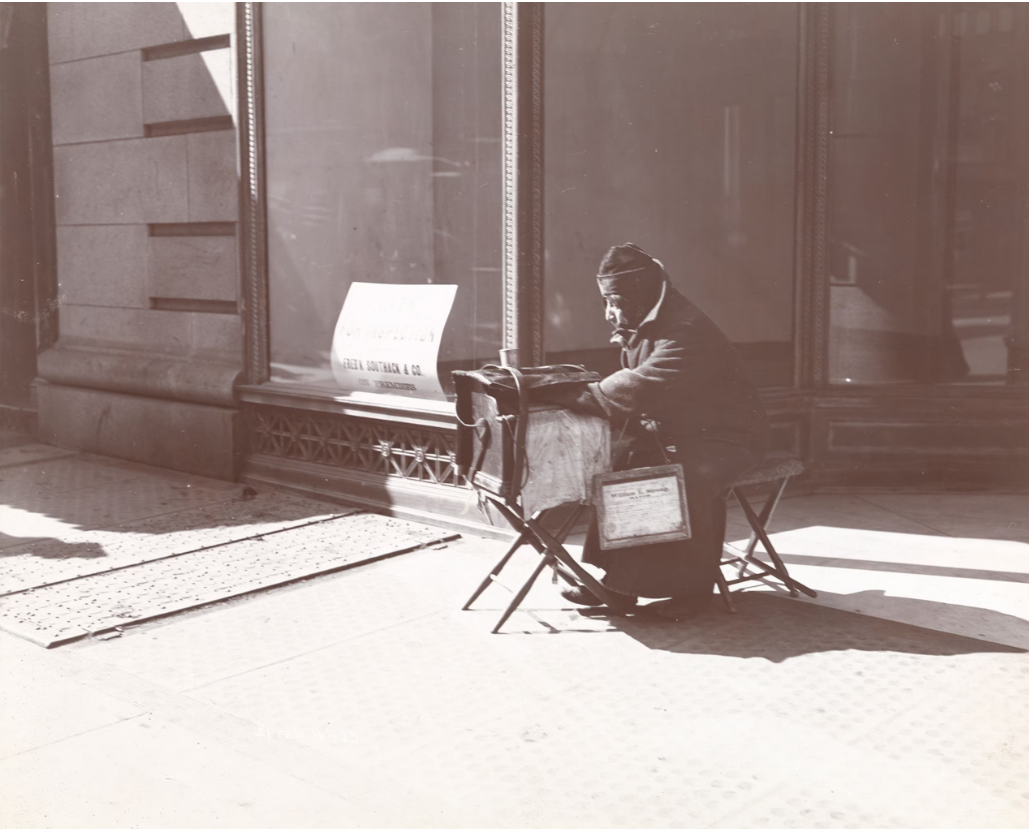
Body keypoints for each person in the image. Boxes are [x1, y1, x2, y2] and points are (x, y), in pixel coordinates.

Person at [549, 243, 770, 619]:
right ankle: (618, 585)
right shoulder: (649, 318)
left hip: (731, 437)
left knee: (682, 479)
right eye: (606, 302)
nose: (608, 314)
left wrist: (559, 391)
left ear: (639, 295)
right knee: (619, 467)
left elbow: (637, 388)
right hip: (682, 431)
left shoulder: (686, 330)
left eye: (614, 302)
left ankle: (692, 594)